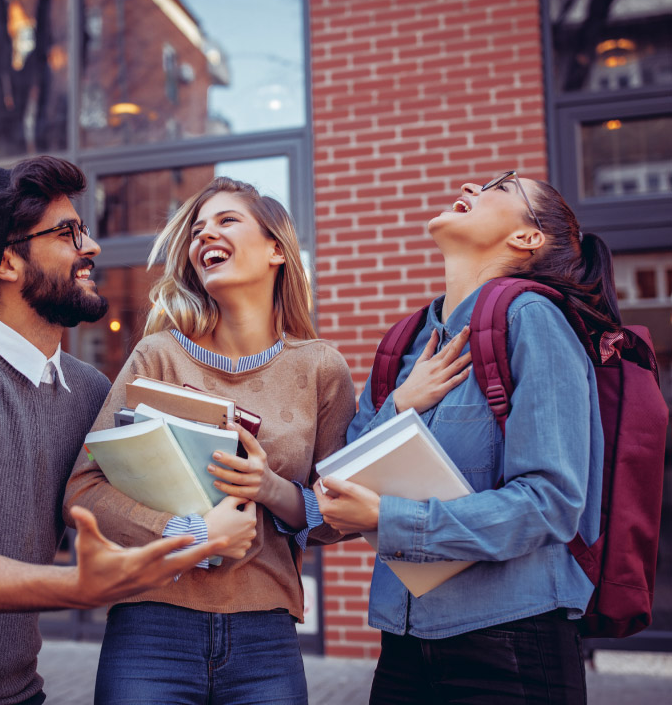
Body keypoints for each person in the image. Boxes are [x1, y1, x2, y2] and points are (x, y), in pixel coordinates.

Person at [0, 156, 224, 705]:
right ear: (8, 262)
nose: (92, 247)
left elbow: (135, 512)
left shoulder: (88, 390)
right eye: (68, 232)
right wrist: (76, 589)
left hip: (19, 693)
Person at [316, 171, 619, 705]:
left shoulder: (533, 319)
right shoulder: (409, 340)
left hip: (512, 644)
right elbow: (342, 473)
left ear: (527, 238)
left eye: (501, 187)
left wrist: (390, 520)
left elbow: (551, 504)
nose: (473, 187)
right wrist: (401, 403)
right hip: (405, 643)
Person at [63, 177, 355, 704]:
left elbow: (343, 516)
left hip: (265, 635)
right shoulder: (158, 357)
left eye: (226, 221)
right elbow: (83, 491)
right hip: (151, 627)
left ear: (275, 250)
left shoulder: (320, 369)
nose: (205, 235)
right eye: (197, 228)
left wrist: (271, 489)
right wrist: (193, 533)